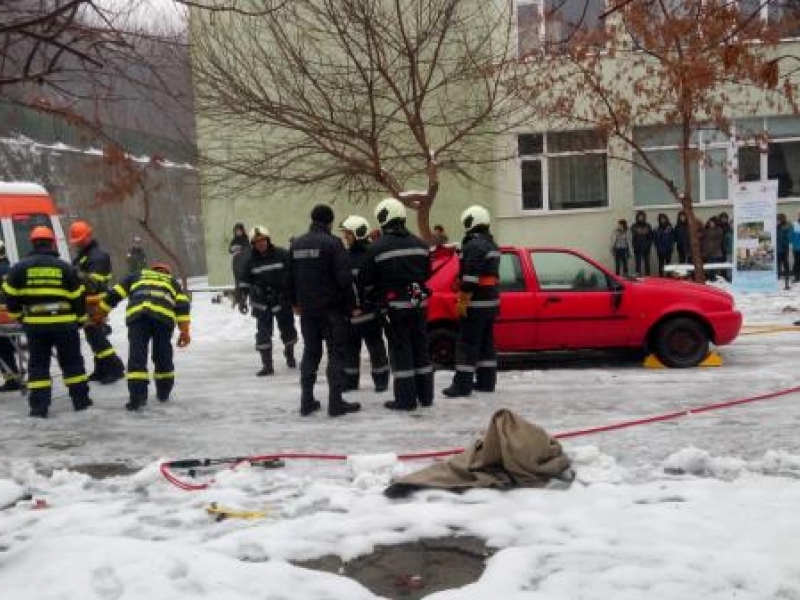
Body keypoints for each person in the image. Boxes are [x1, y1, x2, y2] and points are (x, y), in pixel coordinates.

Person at [2, 226, 92, 418]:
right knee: (72, 364)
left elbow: (10, 296)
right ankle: (81, 402)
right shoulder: (65, 267)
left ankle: (39, 407)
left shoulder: (19, 268)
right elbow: (78, 297)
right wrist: (80, 320)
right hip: (65, 324)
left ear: (33, 243)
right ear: (52, 243)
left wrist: (20, 317)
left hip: (36, 326)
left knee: (38, 366)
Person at [358, 198, 433, 411]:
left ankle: (405, 400)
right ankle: (426, 396)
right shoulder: (420, 244)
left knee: (401, 353)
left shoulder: (376, 247)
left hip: (394, 308)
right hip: (418, 303)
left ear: (384, 218)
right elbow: (427, 273)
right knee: (421, 349)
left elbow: (365, 280)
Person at [287, 204, 361, 417]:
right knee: (336, 354)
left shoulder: (297, 244)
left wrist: (295, 303)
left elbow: (289, 278)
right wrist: (352, 306)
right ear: (329, 222)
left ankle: (306, 402)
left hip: (308, 311)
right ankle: (336, 403)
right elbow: (344, 279)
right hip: (332, 311)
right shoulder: (333, 244)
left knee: (311, 353)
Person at [97, 262, 191, 411]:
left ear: (152, 270)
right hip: (163, 320)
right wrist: (184, 331)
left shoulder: (137, 275)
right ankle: (163, 393)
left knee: (137, 356)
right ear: (167, 272)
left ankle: (137, 398)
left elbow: (115, 294)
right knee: (163, 356)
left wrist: (100, 312)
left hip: (138, 317)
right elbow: (182, 307)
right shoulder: (172, 282)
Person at [442, 205, 500, 398]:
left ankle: (462, 386)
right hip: (491, 302)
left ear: (472, 221)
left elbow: (471, 279)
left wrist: (463, 300)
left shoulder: (474, 245)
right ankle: (486, 382)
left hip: (476, 303)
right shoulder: (491, 244)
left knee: (466, 344)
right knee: (486, 344)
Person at [69, 220, 125, 384]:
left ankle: (114, 368)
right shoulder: (85, 254)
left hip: (95, 302)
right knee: (94, 336)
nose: (77, 243)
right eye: (76, 241)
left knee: (96, 336)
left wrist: (73, 274)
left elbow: (94, 285)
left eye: (80, 240)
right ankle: (101, 369)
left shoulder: (97, 256)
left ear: (88, 236)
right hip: (87, 302)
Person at [236, 225, 298, 376]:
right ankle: (267, 365)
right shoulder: (249, 261)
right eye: (257, 241)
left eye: (263, 240)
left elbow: (293, 277)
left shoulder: (282, 255)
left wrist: (293, 296)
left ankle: (289, 353)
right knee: (263, 335)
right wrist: (242, 299)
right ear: (253, 244)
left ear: (268, 240)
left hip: (282, 301)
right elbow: (243, 282)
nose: (260, 243)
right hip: (261, 303)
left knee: (288, 331)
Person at [340, 215, 390, 393]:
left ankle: (381, 381)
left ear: (358, 234)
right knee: (351, 349)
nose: (345, 238)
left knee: (375, 347)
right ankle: (350, 381)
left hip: (370, 313)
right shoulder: (344, 256)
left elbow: (381, 283)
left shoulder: (372, 255)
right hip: (350, 314)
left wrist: (370, 304)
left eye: (348, 234)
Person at [0, 241, 21, 392]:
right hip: (14, 318)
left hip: (3, 319)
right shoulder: (13, 269)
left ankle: (12, 379)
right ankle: (12, 378)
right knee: (7, 348)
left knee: (3, 349)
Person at [229, 223, 250, 299]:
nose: (238, 232)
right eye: (236, 231)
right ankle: (238, 296)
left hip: (244, 263)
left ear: (242, 231)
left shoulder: (246, 239)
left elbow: (248, 249)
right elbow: (230, 250)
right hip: (236, 263)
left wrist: (240, 250)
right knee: (237, 280)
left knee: (244, 279)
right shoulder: (234, 240)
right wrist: (235, 250)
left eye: (239, 230)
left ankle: (244, 294)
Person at [630, 210, 653, 276]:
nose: (641, 218)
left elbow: (650, 237)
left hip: (646, 248)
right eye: (639, 216)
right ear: (637, 217)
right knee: (638, 264)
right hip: (637, 248)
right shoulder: (634, 226)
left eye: (642, 216)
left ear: (644, 217)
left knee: (647, 264)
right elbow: (632, 237)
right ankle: (638, 277)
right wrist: (634, 245)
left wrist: (648, 244)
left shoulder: (648, 225)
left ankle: (648, 277)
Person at [777, 213, 792, 278]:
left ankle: (787, 275)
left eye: (779, 219)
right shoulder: (776, 225)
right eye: (777, 219)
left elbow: (789, 236)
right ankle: (778, 275)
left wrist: (785, 243)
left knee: (785, 262)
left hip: (784, 247)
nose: (778, 220)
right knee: (778, 262)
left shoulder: (788, 225)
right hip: (777, 247)